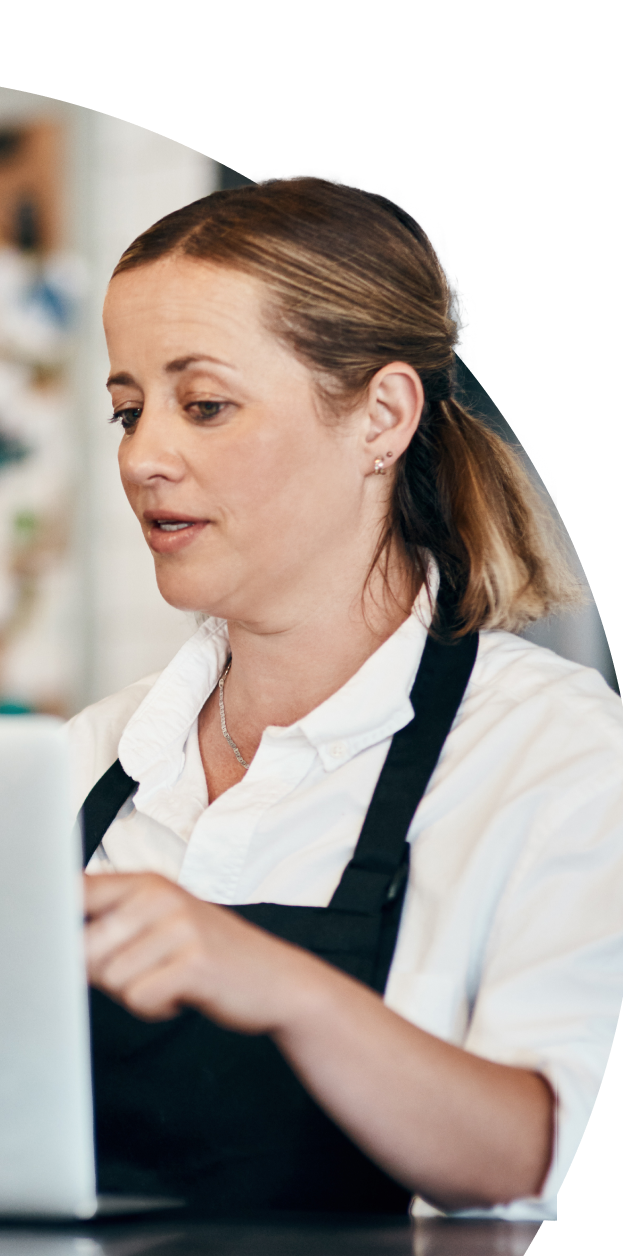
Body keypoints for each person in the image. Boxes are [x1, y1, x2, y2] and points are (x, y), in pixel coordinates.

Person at [74, 176, 623, 1217]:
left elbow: (544, 1152)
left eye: (205, 406)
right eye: (128, 410)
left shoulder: (557, 759)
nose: (143, 455)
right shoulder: (83, 761)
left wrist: (279, 985)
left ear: (382, 414)